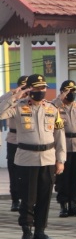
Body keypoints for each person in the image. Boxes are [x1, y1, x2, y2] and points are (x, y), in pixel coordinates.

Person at [0, 74, 66, 239]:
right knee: (28, 198)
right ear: (29, 90)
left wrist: (60, 159)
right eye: (35, 88)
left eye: (42, 88)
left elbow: (59, 136)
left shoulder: (52, 109)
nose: (40, 91)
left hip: (48, 159)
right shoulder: (19, 107)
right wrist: (13, 95)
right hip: (27, 159)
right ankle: (26, 231)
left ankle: (40, 231)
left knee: (44, 197)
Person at [53, 80, 76, 218]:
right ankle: (63, 205)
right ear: (62, 92)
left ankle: (73, 204)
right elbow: (50, 107)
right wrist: (60, 98)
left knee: (75, 176)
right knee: (62, 178)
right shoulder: (55, 106)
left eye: (74, 91)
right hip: (62, 146)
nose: (72, 94)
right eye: (68, 91)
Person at [6, 75, 28, 212]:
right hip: (14, 140)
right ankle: (15, 200)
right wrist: (13, 95)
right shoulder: (12, 102)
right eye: (23, 87)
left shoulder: (31, 102)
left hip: (27, 140)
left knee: (26, 172)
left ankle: (27, 198)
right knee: (14, 172)